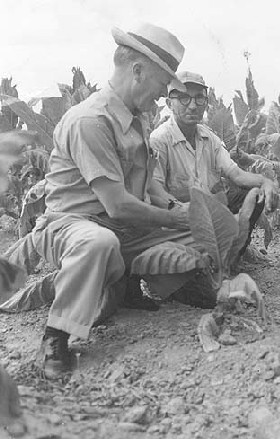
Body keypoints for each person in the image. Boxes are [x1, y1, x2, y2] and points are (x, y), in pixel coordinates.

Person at [32, 23, 212, 379]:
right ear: (138, 70)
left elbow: (148, 190)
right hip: (74, 227)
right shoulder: (91, 120)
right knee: (98, 242)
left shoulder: (136, 120)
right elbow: (117, 205)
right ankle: (57, 335)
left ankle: (126, 285)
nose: (163, 96)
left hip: (125, 229)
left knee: (202, 232)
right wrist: (174, 220)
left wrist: (182, 211)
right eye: (163, 86)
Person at [149, 71, 278, 244]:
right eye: (184, 98)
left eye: (199, 98)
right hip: (178, 220)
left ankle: (234, 253)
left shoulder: (209, 138)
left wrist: (265, 182)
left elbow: (237, 175)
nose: (193, 106)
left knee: (254, 195)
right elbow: (155, 191)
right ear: (169, 103)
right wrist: (181, 210)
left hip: (210, 213)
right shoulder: (159, 140)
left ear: (206, 103)